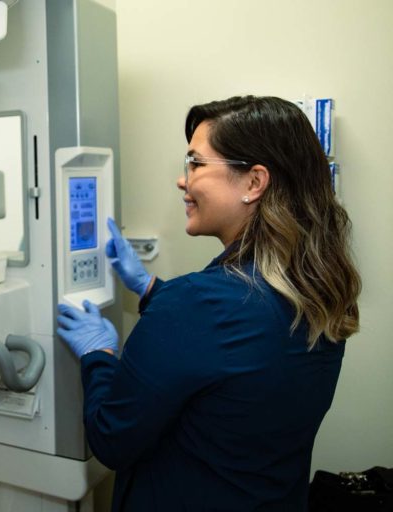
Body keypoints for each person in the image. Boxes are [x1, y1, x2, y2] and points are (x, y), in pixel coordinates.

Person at [56, 96, 360, 510]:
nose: (184, 180)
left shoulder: (198, 305)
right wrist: (149, 289)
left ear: (254, 182)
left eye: (196, 164)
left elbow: (112, 437)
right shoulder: (321, 286)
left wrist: (99, 355)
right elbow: (242, 340)